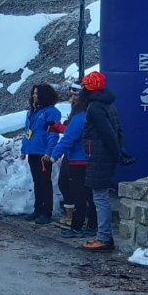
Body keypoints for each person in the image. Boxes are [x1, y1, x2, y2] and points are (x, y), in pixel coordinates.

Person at [79, 71, 125, 251]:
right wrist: (120, 150)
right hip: (103, 155)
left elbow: (107, 133)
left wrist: (116, 153)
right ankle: (104, 235)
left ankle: (104, 237)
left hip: (99, 156)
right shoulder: (108, 104)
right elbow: (118, 130)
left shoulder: (94, 107)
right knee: (101, 196)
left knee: (100, 197)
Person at [50, 87, 96, 238]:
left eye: (75, 96)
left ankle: (76, 226)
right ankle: (92, 225)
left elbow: (69, 138)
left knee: (79, 196)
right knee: (90, 195)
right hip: (90, 159)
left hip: (78, 160)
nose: (72, 99)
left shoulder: (79, 117)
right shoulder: (93, 114)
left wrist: (54, 155)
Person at [19, 83, 61, 224]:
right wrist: (24, 149)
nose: (34, 96)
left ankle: (46, 212)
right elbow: (27, 132)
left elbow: (53, 134)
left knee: (45, 183)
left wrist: (49, 152)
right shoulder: (32, 112)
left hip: (43, 153)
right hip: (32, 152)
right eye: (34, 93)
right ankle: (37, 209)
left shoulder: (51, 112)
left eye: (37, 93)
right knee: (37, 182)